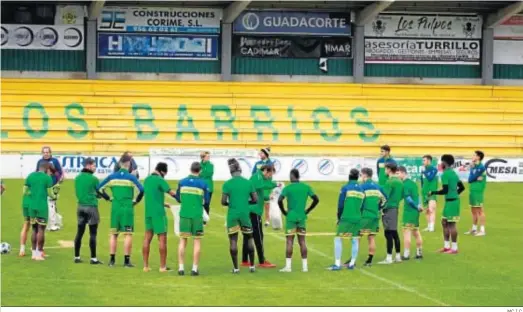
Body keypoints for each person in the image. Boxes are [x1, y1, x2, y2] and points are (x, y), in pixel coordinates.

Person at [97, 155, 144, 267]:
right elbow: (142, 190)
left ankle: (112, 260)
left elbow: (99, 188)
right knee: (128, 234)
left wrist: (108, 198)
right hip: (127, 207)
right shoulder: (131, 178)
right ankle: (126, 261)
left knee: (114, 234)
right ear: (128, 165)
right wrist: (136, 200)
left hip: (115, 207)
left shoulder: (112, 177)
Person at [277, 169, 319, 273]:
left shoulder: (288, 188)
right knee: (302, 241)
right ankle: (305, 267)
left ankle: (288, 267)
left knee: (289, 241)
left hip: (291, 217)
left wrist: (283, 211)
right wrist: (308, 210)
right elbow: (316, 199)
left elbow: (279, 200)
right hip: (302, 217)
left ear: (292, 176)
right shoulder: (306, 187)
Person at [222, 158, 258, 273]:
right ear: (240, 170)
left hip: (232, 214)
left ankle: (236, 268)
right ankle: (252, 266)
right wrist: (246, 203)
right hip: (244, 214)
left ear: (231, 172)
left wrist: (230, 203)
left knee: (233, 240)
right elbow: (255, 199)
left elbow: (223, 201)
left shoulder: (227, 184)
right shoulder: (248, 183)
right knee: (249, 238)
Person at [174, 162, 210, 276]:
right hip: (197, 215)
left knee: (182, 241)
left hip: (184, 214)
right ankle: (194, 269)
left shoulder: (182, 182)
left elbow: (178, 199)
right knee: (197, 241)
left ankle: (181, 268)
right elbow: (207, 201)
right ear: (200, 171)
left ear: (190, 169)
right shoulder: (203, 183)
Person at [142, 162, 178, 273]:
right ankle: (162, 267)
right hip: (159, 214)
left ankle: (146, 266)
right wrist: (183, 197)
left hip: (148, 212)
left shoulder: (147, 180)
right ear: (162, 171)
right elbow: (172, 193)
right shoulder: (160, 180)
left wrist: (164, 204)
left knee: (147, 238)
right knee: (162, 239)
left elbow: (152, 196)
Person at [241, 164, 278, 268]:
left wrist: (268, 197)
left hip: (250, 209)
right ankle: (262, 261)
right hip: (254, 210)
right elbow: (260, 186)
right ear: (265, 171)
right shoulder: (257, 177)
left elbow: (260, 193)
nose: (269, 177)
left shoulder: (259, 177)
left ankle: (244, 260)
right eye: (269, 174)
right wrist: (274, 184)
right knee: (258, 236)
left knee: (247, 234)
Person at [429, 154, 465, 254]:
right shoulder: (453, 173)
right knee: (444, 222)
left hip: (452, 202)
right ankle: (446, 246)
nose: (440, 164)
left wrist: (433, 192)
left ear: (444, 163)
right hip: (451, 201)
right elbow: (462, 187)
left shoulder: (445, 174)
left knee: (451, 224)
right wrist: (455, 194)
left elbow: (445, 190)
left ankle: (454, 248)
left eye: (441, 162)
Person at [328, 169, 363, 271]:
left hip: (346, 217)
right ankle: (352, 263)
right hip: (357, 217)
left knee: (338, 238)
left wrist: (339, 217)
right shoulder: (361, 189)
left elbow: (340, 205)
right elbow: (362, 205)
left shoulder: (345, 188)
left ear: (349, 176)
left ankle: (337, 263)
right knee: (355, 239)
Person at [353, 168, 387, 267]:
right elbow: (385, 199)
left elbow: (358, 202)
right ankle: (369, 260)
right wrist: (379, 208)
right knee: (371, 238)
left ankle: (353, 261)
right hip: (375, 216)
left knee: (357, 237)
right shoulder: (378, 187)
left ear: (364, 175)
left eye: (361, 175)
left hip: (364, 215)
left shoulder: (362, 187)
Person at [73, 158, 103, 264]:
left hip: (80, 206)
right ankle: (93, 258)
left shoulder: (77, 178)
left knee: (79, 232)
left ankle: (76, 256)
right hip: (91, 207)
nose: (95, 168)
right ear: (88, 166)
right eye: (94, 165)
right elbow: (99, 192)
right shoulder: (94, 179)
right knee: (93, 234)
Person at [25, 162, 57, 261]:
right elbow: (50, 193)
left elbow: (25, 192)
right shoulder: (47, 178)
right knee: (41, 230)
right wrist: (55, 196)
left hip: (32, 206)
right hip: (42, 207)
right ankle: (39, 254)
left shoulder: (30, 176)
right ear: (47, 169)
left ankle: (34, 254)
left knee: (34, 229)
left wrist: (34, 194)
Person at [379, 163, 403, 264]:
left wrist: (380, 207)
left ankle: (389, 257)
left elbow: (384, 196)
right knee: (394, 232)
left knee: (388, 232)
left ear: (389, 170)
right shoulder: (400, 182)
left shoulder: (389, 182)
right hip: (395, 207)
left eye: (386, 169)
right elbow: (401, 195)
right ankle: (397, 256)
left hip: (388, 208)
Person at [398, 166, 424, 260]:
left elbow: (408, 199)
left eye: (398, 173)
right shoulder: (413, 183)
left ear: (403, 173)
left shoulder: (404, 184)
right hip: (416, 212)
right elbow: (418, 195)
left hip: (409, 211)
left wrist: (416, 206)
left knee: (406, 232)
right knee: (416, 232)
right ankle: (419, 253)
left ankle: (406, 254)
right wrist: (419, 205)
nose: (397, 176)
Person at [36, 146, 64, 231]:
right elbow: (37, 172)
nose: (46, 154)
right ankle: (53, 222)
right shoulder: (40, 161)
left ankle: (52, 223)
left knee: (52, 205)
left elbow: (60, 172)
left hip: (53, 186)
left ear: (50, 153)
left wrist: (59, 180)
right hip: (43, 186)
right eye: (44, 152)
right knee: (46, 205)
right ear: (42, 153)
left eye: (47, 152)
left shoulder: (55, 161)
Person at [466, 150, 487, 236]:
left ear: (478, 157)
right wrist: (473, 176)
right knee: (473, 211)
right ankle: (474, 229)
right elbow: (469, 180)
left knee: (480, 211)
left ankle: (482, 230)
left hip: (478, 191)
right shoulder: (474, 167)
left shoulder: (481, 168)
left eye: (474, 155)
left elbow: (470, 179)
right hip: (472, 190)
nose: (472, 157)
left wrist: (473, 178)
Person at [252, 147, 273, 227]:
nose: (259, 154)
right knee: (258, 202)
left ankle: (267, 219)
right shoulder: (257, 163)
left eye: (261, 153)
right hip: (258, 186)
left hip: (266, 185)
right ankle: (259, 217)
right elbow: (253, 174)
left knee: (267, 203)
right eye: (260, 153)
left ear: (266, 154)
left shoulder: (270, 163)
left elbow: (270, 175)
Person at [421, 155, 439, 232]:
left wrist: (424, 171)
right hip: (424, 192)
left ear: (429, 161)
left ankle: (432, 227)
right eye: (423, 160)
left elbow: (430, 177)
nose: (423, 162)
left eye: (424, 160)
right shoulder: (423, 170)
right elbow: (421, 181)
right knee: (427, 210)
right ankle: (428, 226)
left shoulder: (434, 169)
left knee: (431, 209)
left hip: (432, 192)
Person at [200, 151, 214, 222]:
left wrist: (202, 173)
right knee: (199, 203)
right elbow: (199, 174)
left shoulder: (211, 165)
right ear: (203, 157)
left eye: (209, 156)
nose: (209, 158)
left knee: (206, 203)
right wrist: (202, 173)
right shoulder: (199, 165)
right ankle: (200, 217)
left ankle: (205, 220)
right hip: (200, 187)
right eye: (207, 156)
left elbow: (208, 173)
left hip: (209, 188)